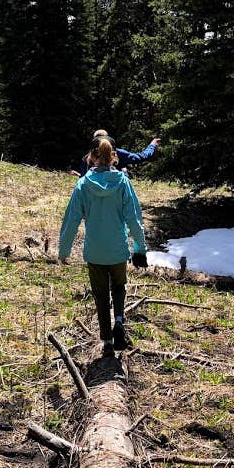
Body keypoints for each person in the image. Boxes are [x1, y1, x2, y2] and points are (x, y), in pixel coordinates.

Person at [59, 135, 148, 357]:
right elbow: (134, 219)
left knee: (100, 295)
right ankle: (119, 320)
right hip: (118, 250)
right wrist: (140, 249)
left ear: (91, 157)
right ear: (114, 156)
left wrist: (64, 251)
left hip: (95, 252)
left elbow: (71, 220)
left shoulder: (83, 185)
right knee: (118, 288)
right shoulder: (123, 183)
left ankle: (107, 341)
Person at [76, 129, 160, 177]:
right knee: (124, 170)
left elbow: (83, 178)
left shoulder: (87, 158)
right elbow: (141, 156)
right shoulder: (118, 153)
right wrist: (152, 145)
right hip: (117, 193)